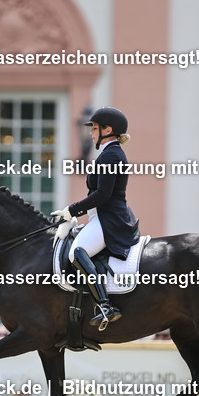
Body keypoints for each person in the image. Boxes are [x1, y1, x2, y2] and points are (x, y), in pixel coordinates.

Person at [51, 106, 138, 329]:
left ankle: (105, 305)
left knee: (77, 253)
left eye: (95, 128)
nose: (91, 133)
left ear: (108, 129)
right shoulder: (109, 153)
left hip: (110, 218)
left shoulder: (111, 156)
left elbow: (102, 194)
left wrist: (72, 210)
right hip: (102, 216)